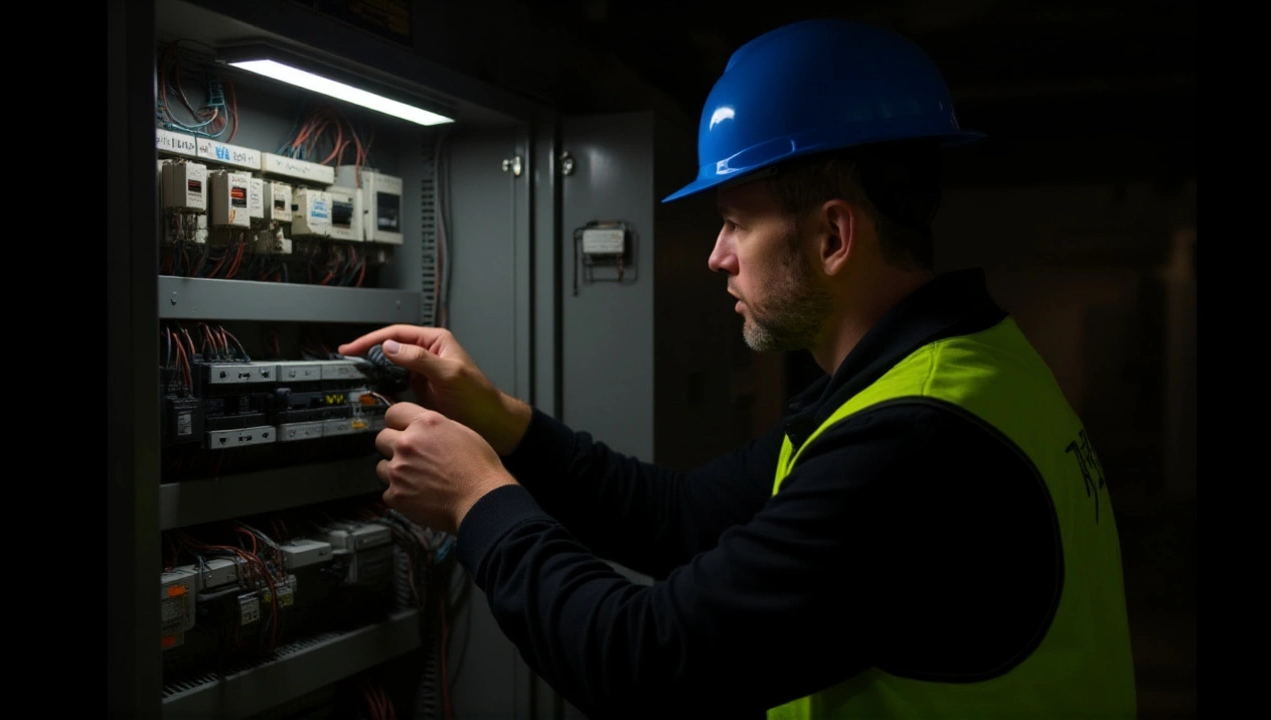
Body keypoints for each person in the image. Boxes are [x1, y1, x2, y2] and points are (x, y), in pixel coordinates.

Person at [339, 18, 1138, 720]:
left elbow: (642, 662)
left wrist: (478, 501)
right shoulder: (937, 374)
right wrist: (503, 425)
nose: (717, 257)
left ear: (832, 237)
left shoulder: (917, 441)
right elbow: (684, 518)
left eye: (733, 223)